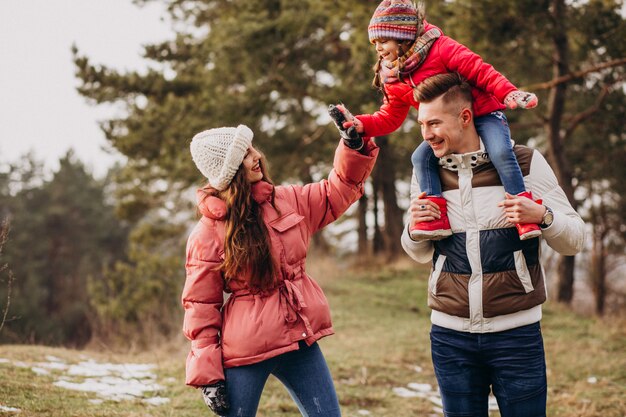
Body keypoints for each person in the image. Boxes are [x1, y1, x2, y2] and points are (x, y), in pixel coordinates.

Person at [401, 73, 585, 416]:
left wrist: (542, 215)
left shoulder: (525, 163)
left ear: (465, 117)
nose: (426, 134)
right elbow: (418, 252)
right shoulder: (426, 171)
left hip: (517, 336)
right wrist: (413, 229)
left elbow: (575, 240)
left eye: (435, 123)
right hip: (450, 337)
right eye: (422, 124)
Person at [183, 124, 378, 417]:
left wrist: (354, 146)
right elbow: (201, 306)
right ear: (230, 169)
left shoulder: (287, 200)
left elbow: (335, 192)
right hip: (247, 350)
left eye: (252, 148)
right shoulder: (207, 233)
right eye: (244, 155)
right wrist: (208, 376)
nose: (256, 157)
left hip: (299, 338)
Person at [339, 0, 540, 242]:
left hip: (485, 113)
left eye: (383, 41)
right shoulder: (393, 75)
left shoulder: (441, 48)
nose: (378, 49)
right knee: (420, 157)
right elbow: (391, 116)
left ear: (402, 37)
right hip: (447, 128)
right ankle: (435, 215)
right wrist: (362, 125)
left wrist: (508, 92)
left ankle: (523, 210)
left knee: (500, 152)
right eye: (375, 44)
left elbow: (480, 70)